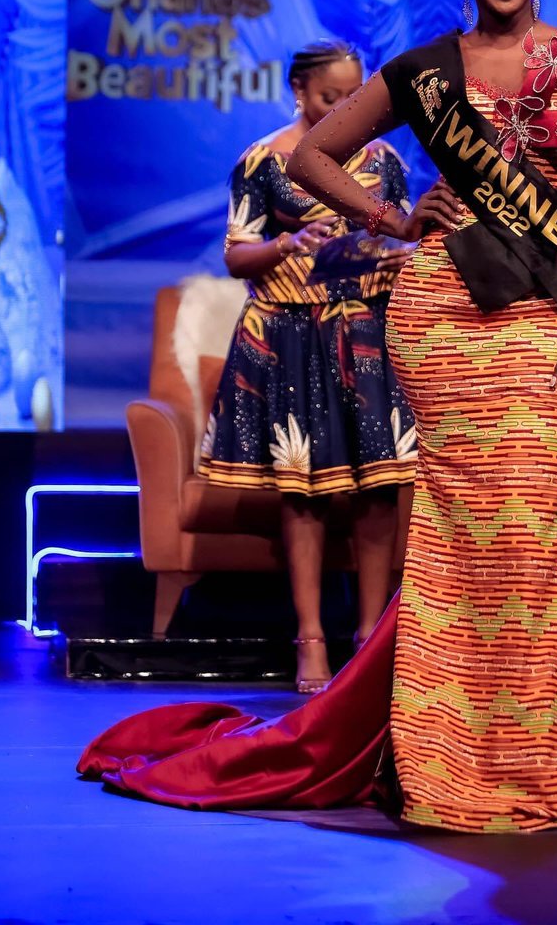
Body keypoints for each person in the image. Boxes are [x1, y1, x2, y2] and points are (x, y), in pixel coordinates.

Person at [78, 0, 557, 834]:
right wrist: (391, 216)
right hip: (440, 313)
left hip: (539, 317)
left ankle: (537, 754)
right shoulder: (428, 69)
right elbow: (307, 157)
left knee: (532, 534)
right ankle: (448, 758)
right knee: (460, 536)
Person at [199, 39, 418, 693]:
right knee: (305, 492)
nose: (344, 108)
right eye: (331, 98)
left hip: (366, 334)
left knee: (381, 488)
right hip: (291, 336)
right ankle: (311, 640)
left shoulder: (383, 161)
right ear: (300, 92)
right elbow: (237, 257)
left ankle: (370, 638)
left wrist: (400, 253)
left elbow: (405, 238)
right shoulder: (264, 162)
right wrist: (288, 243)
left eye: (354, 98)